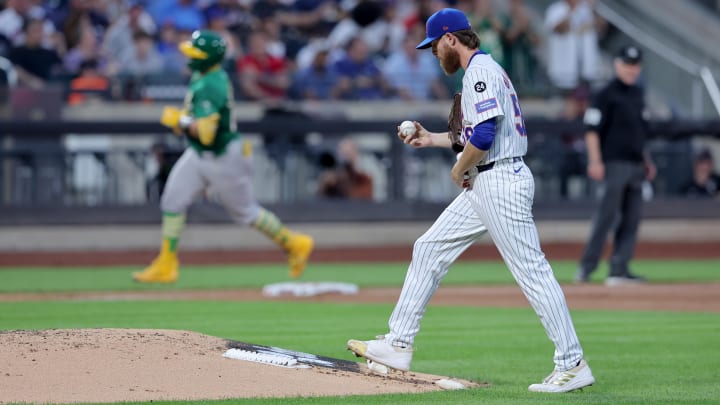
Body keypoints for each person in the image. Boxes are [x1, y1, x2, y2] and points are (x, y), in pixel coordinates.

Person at [347, 8, 594, 393]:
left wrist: (458, 169)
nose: (433, 54)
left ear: (450, 39)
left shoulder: (479, 71)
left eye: (434, 46)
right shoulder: (484, 70)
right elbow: (474, 134)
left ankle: (572, 363)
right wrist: (431, 138)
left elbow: (484, 136)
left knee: (532, 272)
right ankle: (398, 344)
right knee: (428, 248)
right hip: (489, 179)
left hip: (499, 180)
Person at [132, 30, 314, 284]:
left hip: (224, 156)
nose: (190, 57)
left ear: (208, 58)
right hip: (200, 153)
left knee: (246, 212)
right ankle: (166, 263)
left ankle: (295, 243)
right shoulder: (202, 75)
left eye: (196, 54)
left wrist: (180, 120)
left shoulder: (212, 83)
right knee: (172, 200)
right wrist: (184, 120)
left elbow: (206, 133)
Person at [575, 45, 657, 286]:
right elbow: (591, 130)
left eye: (635, 65)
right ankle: (586, 268)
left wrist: (646, 160)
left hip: (635, 164)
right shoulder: (605, 94)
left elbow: (640, 133)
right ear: (617, 64)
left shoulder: (638, 94)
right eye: (628, 64)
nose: (632, 69)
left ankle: (619, 269)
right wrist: (595, 160)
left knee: (631, 219)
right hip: (613, 163)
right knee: (606, 217)